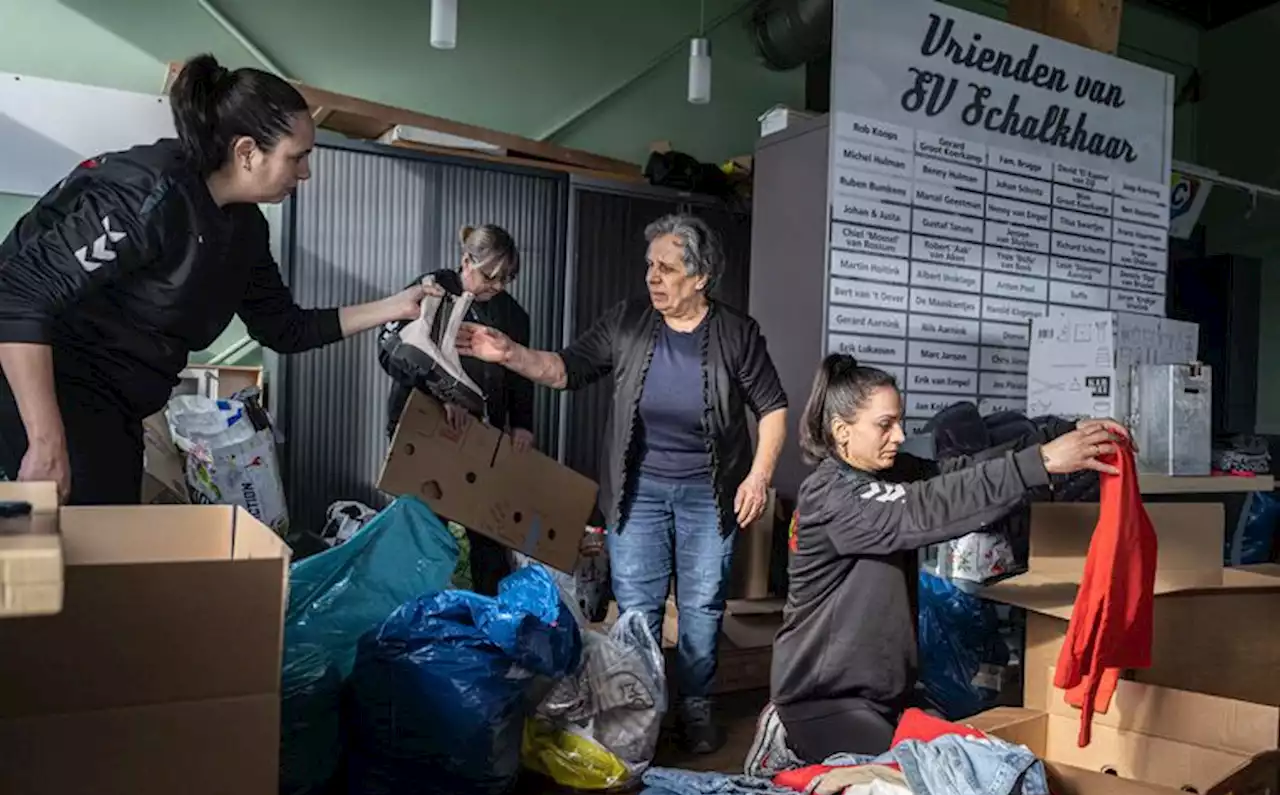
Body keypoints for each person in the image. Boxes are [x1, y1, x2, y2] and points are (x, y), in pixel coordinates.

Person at [0, 53, 427, 505]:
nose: (306, 172)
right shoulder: (147, 195)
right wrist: (46, 443)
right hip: (50, 386)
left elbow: (283, 327)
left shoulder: (245, 229)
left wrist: (399, 306)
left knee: (105, 543)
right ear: (247, 152)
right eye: (297, 157)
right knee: (77, 552)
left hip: (119, 404)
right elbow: (18, 296)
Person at [455, 213, 788, 754]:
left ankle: (697, 707)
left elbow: (772, 407)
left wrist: (759, 476)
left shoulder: (736, 332)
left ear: (700, 277)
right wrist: (508, 353)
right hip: (640, 491)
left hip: (710, 493)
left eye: (666, 268)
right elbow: (566, 369)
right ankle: (644, 710)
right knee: (638, 606)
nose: (652, 277)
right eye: (649, 266)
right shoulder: (628, 322)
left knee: (703, 605)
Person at [763, 353, 1129, 763]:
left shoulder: (890, 473)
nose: (900, 435)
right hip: (823, 700)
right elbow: (925, 507)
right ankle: (782, 745)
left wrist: (1058, 434)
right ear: (841, 431)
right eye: (885, 425)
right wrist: (1038, 463)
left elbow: (958, 473)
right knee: (927, 785)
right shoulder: (830, 498)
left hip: (886, 695)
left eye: (899, 421)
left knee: (973, 764)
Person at [381, 223, 532, 595]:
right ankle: (416, 617)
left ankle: (491, 620)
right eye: (490, 277)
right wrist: (444, 396)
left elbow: (520, 375)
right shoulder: (430, 289)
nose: (496, 287)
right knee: (426, 531)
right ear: (466, 261)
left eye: (505, 280)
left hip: (482, 436)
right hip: (426, 428)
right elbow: (389, 353)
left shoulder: (512, 315)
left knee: (489, 533)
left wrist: (523, 424)